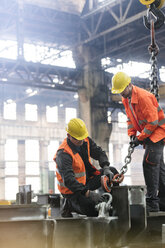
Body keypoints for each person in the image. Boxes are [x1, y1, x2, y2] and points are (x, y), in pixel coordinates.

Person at [111, 71, 165, 212]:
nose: (121, 94)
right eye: (119, 91)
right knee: (159, 167)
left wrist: (140, 138)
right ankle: (163, 200)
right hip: (151, 134)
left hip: (158, 133)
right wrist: (132, 135)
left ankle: (152, 202)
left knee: (149, 164)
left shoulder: (143, 97)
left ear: (129, 85)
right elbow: (130, 119)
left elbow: (153, 122)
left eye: (122, 90)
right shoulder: (126, 99)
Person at [53, 118, 118, 217]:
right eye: (78, 139)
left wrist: (105, 167)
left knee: (113, 172)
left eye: (82, 138)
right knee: (94, 209)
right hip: (73, 192)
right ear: (69, 136)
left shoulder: (85, 140)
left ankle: (116, 204)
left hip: (86, 182)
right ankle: (69, 204)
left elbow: (99, 153)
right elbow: (69, 181)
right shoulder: (63, 154)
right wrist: (89, 194)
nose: (81, 141)